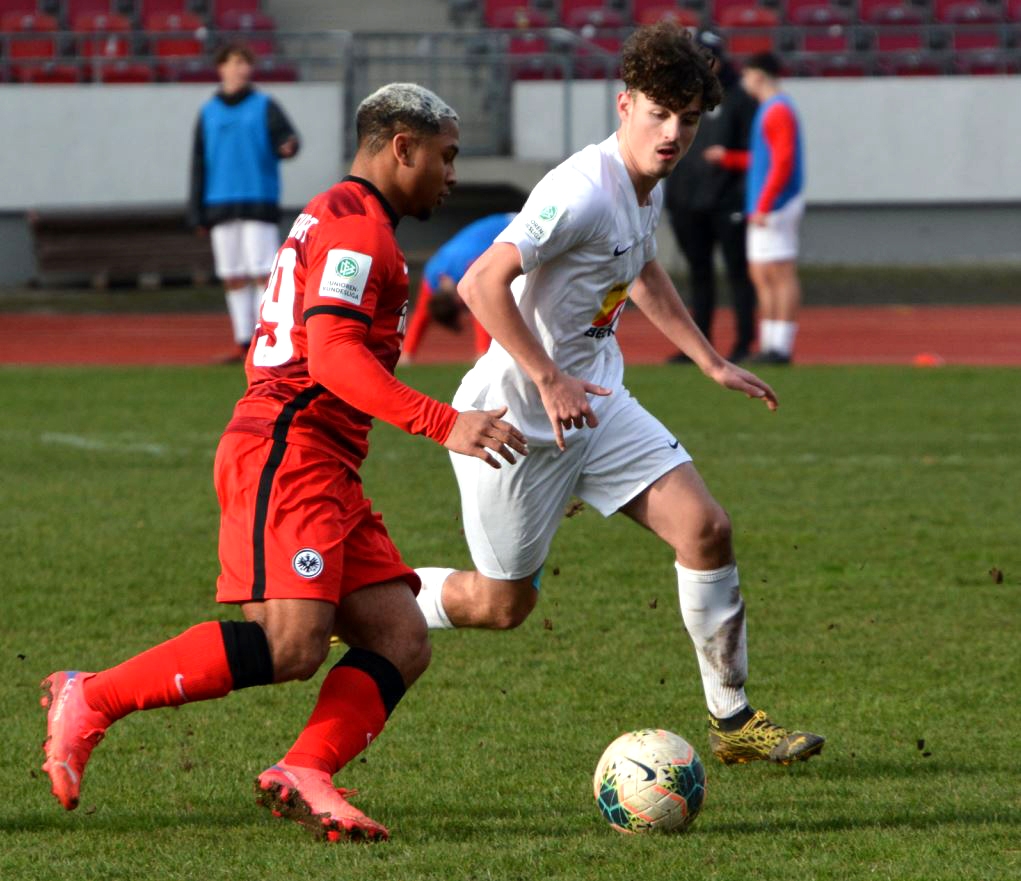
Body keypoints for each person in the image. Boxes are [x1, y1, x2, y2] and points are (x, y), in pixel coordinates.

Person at [40, 83, 527, 843]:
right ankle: (92, 696)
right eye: (446, 156)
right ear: (402, 147)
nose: (452, 175)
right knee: (291, 644)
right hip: (288, 451)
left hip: (324, 461)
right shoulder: (358, 230)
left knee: (400, 636)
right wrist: (443, 422)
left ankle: (304, 769)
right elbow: (331, 356)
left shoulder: (341, 215)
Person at [413, 23, 824, 766]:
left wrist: (708, 361)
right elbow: (478, 283)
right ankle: (367, 599)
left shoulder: (645, 185)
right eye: (658, 114)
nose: (672, 134)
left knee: (705, 529)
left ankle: (732, 720)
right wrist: (548, 377)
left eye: (687, 120)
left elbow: (640, 269)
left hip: (596, 404)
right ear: (625, 104)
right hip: (514, 424)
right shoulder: (580, 191)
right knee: (502, 605)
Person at [187, 41, 300, 362]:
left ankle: (270, 340)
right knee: (232, 274)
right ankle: (243, 340)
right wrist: (196, 211)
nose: (240, 69)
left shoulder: (265, 105)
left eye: (245, 63)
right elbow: (198, 163)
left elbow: (287, 139)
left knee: (264, 272)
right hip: (219, 202)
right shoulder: (208, 112)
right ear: (221, 68)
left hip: (258, 199)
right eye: (234, 62)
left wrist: (288, 146)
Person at [664, 30, 758, 364]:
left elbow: (757, 153)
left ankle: (744, 343)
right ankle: (697, 346)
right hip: (687, 201)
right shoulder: (677, 96)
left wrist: (733, 173)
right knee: (698, 274)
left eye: (708, 56)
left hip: (727, 201)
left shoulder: (740, 98)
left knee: (738, 273)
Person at [737, 52, 805, 365]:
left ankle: (780, 346)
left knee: (778, 272)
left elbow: (783, 161)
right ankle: (771, 343)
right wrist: (730, 159)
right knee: (763, 274)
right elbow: (765, 159)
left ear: (758, 74)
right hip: (767, 202)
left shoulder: (777, 110)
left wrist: (765, 204)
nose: (744, 81)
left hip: (775, 203)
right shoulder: (771, 108)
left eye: (746, 74)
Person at [401, 212, 516, 362]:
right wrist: (407, 354)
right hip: (500, 228)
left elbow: (480, 307)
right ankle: (407, 353)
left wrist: (482, 351)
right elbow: (422, 314)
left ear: (456, 301)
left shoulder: (466, 266)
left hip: (512, 225)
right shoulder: (432, 275)